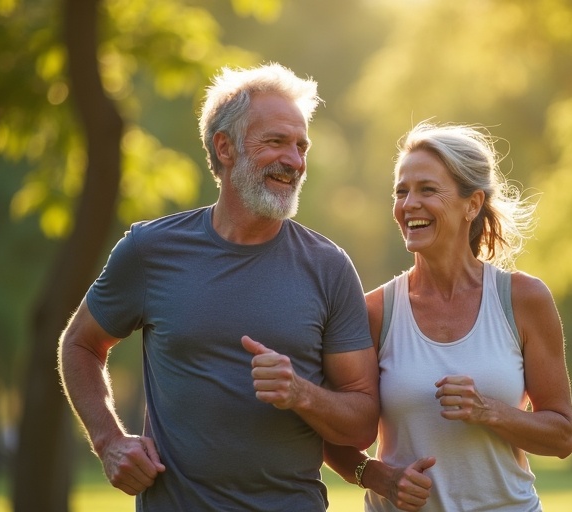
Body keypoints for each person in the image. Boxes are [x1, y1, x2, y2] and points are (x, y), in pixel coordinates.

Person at [57, 62, 380, 511]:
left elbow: (362, 423)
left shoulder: (329, 268)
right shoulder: (151, 250)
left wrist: (301, 393)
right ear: (224, 147)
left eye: (301, 146)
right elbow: (80, 344)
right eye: (276, 142)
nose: (294, 160)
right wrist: (108, 439)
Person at [324, 122, 572, 511]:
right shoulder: (374, 312)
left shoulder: (524, 300)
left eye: (427, 190)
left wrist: (488, 410)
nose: (409, 205)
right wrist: (379, 478)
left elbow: (561, 436)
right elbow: (332, 431)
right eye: (402, 192)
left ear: (472, 205)